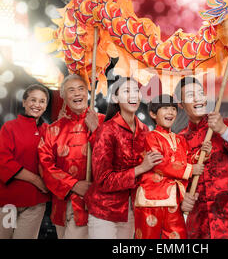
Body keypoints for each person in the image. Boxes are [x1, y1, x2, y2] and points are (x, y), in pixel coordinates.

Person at [174, 76, 228, 239]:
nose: (197, 98)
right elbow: (174, 180)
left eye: (200, 93)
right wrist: (181, 198)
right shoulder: (178, 140)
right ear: (180, 104)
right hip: (199, 227)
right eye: (189, 95)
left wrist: (223, 130)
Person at [86, 77, 163, 239]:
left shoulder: (145, 132)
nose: (133, 95)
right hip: (105, 211)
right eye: (127, 91)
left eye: (136, 91)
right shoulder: (107, 130)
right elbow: (103, 180)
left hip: (132, 211)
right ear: (115, 98)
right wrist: (141, 168)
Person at [134, 94, 210, 239]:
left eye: (173, 109)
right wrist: (190, 170)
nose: (170, 112)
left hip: (174, 200)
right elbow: (159, 163)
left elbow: (187, 160)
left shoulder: (180, 139)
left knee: (177, 237)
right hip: (151, 200)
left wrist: (202, 154)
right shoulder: (150, 137)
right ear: (153, 114)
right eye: (165, 108)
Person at [38, 74, 104, 239]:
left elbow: (114, 158)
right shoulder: (52, 130)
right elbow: (44, 166)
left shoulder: (105, 122)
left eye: (81, 89)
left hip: (99, 204)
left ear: (88, 93)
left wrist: (96, 130)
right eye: (71, 90)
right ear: (63, 95)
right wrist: (74, 185)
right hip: (64, 204)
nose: (77, 94)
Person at [0, 84, 50, 239]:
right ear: (24, 102)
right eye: (33, 100)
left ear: (46, 105)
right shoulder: (10, 127)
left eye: (42, 101)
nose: (37, 104)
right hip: (6, 201)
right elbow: (2, 163)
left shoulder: (49, 130)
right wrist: (36, 180)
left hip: (35, 203)